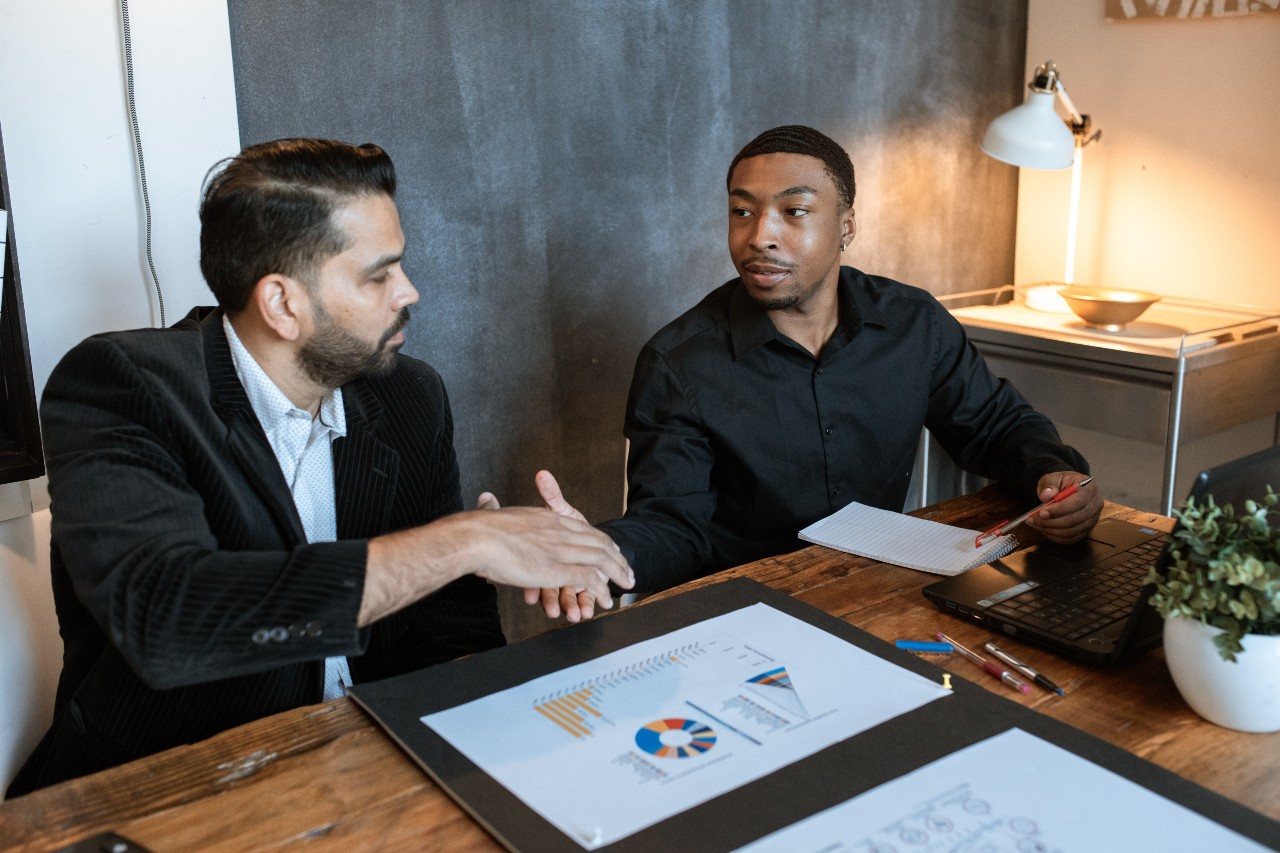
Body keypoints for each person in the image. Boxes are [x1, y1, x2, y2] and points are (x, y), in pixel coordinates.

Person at [8, 138, 632, 795]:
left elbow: (447, 627)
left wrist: (532, 591)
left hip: (373, 772)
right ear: (282, 303)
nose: (409, 290)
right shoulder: (123, 386)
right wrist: (467, 539)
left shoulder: (408, 395)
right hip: (169, 792)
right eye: (378, 274)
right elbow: (170, 617)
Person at [591, 125, 1101, 593]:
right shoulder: (678, 363)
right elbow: (672, 525)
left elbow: (996, 427)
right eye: (742, 211)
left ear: (847, 227)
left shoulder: (913, 324)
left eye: (794, 211)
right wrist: (602, 553)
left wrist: (1053, 475)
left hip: (881, 592)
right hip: (746, 613)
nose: (759, 236)